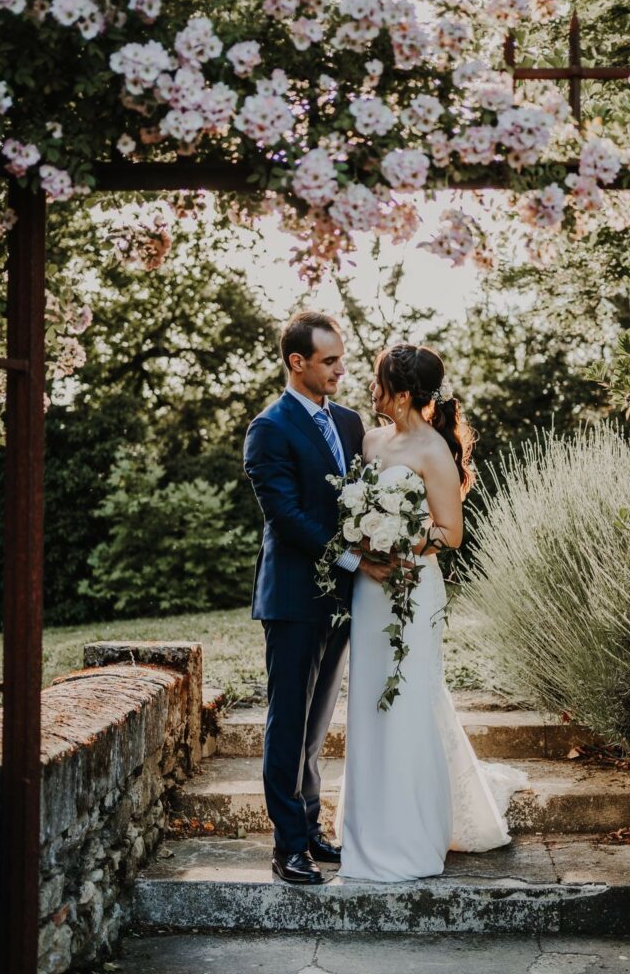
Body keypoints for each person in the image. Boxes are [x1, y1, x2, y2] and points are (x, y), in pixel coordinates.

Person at [335, 343, 527, 882]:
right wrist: (364, 541)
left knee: (408, 703)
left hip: (412, 592)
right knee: (372, 703)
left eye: (377, 383)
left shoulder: (435, 452)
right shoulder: (370, 441)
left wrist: (400, 541)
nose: (369, 391)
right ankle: (366, 829)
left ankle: (412, 836)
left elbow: (451, 534)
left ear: (399, 395)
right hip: (369, 593)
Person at [242, 311, 392, 886]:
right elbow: (287, 518)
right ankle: (287, 848)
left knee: (317, 721)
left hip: (342, 598)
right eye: (328, 361)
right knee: (288, 722)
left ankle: (309, 829)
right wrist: (356, 559)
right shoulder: (269, 428)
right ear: (296, 362)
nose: (340, 369)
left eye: (341, 358)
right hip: (293, 598)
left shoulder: (351, 423)